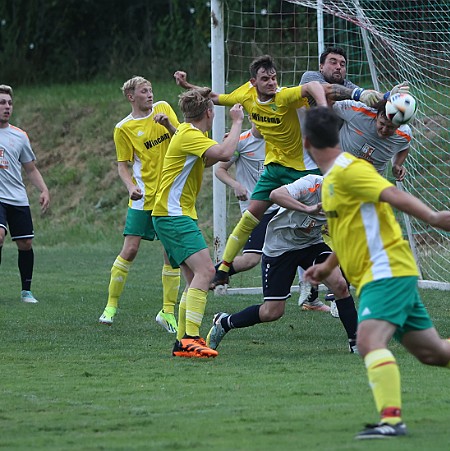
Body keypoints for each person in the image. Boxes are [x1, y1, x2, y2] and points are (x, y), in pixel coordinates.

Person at [301, 106, 450, 439]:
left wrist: (434, 218)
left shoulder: (349, 170)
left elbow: (392, 193)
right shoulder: (331, 181)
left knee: (368, 340)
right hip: (382, 274)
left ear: (307, 141)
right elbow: (350, 230)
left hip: (386, 271)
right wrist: (327, 266)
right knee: (434, 353)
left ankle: (392, 421)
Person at [174, 55, 334, 288]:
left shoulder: (284, 96)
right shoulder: (246, 95)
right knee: (250, 217)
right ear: (253, 81)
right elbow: (215, 97)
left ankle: (326, 279)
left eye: (274, 78)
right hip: (272, 169)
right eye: (265, 79)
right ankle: (224, 269)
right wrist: (188, 87)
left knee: (320, 220)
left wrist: (323, 108)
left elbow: (312, 86)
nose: (271, 82)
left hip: (298, 171)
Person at [206, 174, 359, 353]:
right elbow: (275, 195)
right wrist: (307, 209)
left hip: (312, 244)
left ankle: (356, 344)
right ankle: (224, 322)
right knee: (272, 312)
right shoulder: (311, 183)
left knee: (340, 285)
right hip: (280, 247)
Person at [152, 88, 244, 358]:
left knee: (194, 278)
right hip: (173, 215)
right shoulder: (190, 134)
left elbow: (208, 159)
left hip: (171, 214)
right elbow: (225, 154)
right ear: (209, 112)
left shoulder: (188, 133)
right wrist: (237, 121)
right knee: (206, 272)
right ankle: (190, 337)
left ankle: (183, 341)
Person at [98, 76, 181, 333]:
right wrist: (130, 186)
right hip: (143, 196)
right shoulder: (123, 128)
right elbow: (123, 166)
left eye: (151, 90)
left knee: (171, 253)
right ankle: (111, 306)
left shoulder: (164, 109)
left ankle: (167, 312)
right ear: (131, 97)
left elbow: (182, 139)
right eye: (144, 91)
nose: (150, 94)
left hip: (169, 195)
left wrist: (167, 124)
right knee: (130, 249)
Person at [209, 120, 279, 289]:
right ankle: (209, 276)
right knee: (250, 260)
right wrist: (236, 185)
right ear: (251, 118)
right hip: (255, 209)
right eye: (260, 118)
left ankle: (311, 296)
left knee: (299, 247)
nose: (264, 121)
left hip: (280, 206)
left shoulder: (278, 140)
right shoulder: (241, 141)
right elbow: (219, 169)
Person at [0, 84, 50, 303]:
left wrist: (44, 189)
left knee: (26, 243)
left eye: (9, 103)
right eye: (2, 102)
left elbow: (30, 168)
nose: (7, 107)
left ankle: (26, 292)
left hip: (17, 197)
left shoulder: (19, 136)